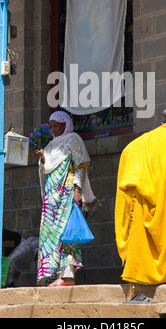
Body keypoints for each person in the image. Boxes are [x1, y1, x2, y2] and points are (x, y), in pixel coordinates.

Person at [115, 110, 166, 286]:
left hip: (141, 204)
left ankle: (141, 276)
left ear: (162, 120)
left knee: (141, 238)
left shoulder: (137, 143)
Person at [35, 110, 97, 287]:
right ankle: (54, 274)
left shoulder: (73, 139)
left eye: (56, 126)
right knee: (50, 235)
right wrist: (43, 159)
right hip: (51, 198)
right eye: (51, 126)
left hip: (66, 193)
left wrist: (77, 190)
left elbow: (80, 166)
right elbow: (48, 168)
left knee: (66, 233)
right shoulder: (51, 145)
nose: (53, 129)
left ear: (65, 125)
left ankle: (68, 277)